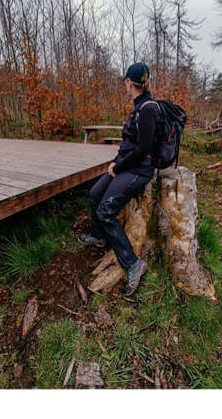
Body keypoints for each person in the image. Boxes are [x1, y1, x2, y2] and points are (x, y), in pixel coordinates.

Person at [77, 62, 160, 295]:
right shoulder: (139, 106)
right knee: (94, 194)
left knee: (105, 210)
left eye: (124, 83)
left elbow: (143, 148)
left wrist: (118, 166)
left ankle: (133, 264)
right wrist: (115, 163)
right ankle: (98, 236)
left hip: (139, 170)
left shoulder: (148, 109)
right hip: (126, 165)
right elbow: (130, 144)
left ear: (129, 83)